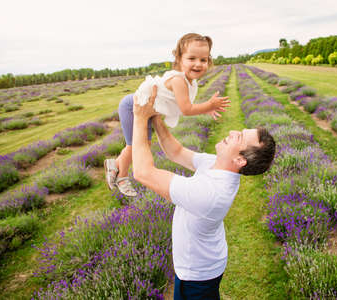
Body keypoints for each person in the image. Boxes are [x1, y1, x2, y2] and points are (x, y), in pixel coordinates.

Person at [132, 86, 276, 299]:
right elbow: (176, 152)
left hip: (198, 276)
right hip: (203, 262)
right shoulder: (217, 164)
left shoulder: (210, 193)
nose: (232, 132)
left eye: (240, 137)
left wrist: (138, 118)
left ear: (240, 160)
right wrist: (154, 117)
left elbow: (143, 172)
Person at [104, 33, 230, 197]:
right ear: (179, 59)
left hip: (147, 110)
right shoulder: (178, 80)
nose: (198, 64)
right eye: (192, 58)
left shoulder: (191, 82)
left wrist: (207, 108)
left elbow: (183, 106)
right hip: (133, 106)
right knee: (135, 146)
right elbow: (186, 109)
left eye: (203, 60)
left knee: (144, 144)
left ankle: (114, 165)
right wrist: (209, 105)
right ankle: (121, 176)